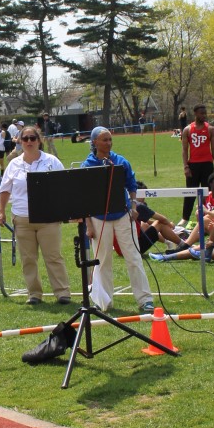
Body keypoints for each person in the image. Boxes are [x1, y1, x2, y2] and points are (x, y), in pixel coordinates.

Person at [80, 126, 153, 314]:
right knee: (102, 261)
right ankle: (105, 301)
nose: (108, 143)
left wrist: (134, 206)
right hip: (99, 218)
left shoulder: (120, 161)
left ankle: (145, 300)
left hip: (123, 216)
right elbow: (84, 198)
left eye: (110, 139)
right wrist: (89, 225)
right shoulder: (87, 165)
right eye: (104, 140)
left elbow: (132, 186)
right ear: (95, 142)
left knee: (133, 257)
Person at [0, 126, 71, 306]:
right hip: (22, 218)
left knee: (53, 256)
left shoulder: (52, 161)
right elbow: (5, 190)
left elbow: (64, 187)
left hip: (48, 218)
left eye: (32, 138)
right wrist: (1, 211)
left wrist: (64, 210)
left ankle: (62, 293)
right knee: (28, 259)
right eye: (25, 139)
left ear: (39, 140)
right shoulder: (13, 164)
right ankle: (34, 294)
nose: (29, 142)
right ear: (20, 142)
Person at [180, 105, 214, 225]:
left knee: (207, 192)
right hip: (193, 165)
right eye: (201, 113)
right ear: (195, 114)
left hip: (207, 164)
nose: (204, 115)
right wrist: (186, 166)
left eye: (205, 113)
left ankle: (206, 217)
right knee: (190, 192)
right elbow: (184, 150)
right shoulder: (187, 130)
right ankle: (185, 218)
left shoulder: (210, 129)